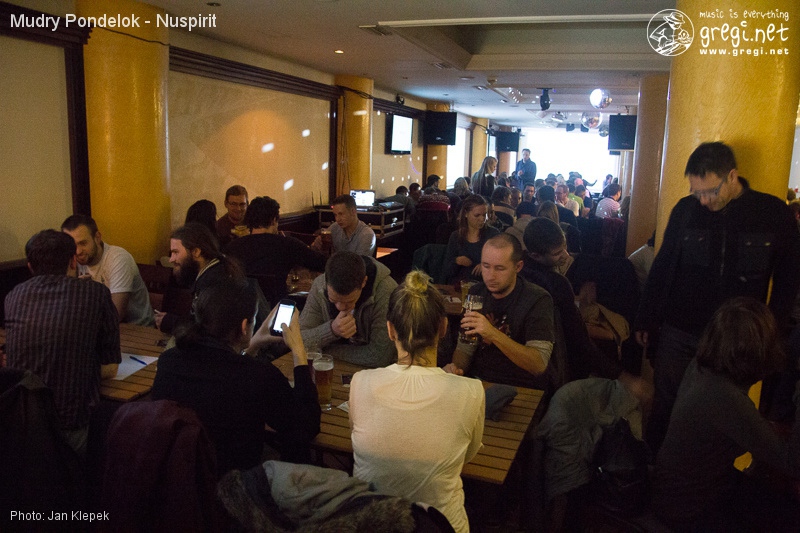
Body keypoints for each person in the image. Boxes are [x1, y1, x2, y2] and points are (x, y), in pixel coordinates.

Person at [635, 141, 800, 454]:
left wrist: (771, 331)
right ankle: (657, 467)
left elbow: (788, 281)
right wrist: (646, 317)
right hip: (680, 329)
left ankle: (706, 475)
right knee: (667, 405)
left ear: (732, 176)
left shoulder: (772, 213)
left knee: (722, 415)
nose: (703, 200)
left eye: (710, 191)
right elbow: (664, 265)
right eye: (696, 191)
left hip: (735, 339)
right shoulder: (685, 210)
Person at [350, 271, 485, 533]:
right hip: (442, 527)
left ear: (390, 330)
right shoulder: (471, 391)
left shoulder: (360, 382)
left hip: (372, 525)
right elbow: (466, 456)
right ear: (443, 327)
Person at [652, 297, 800, 531]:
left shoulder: (701, 367)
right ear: (755, 350)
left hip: (674, 492)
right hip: (689, 509)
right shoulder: (725, 397)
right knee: (789, 515)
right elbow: (793, 463)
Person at [152, 279, 320, 473]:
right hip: (234, 483)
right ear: (244, 326)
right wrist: (298, 351)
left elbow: (221, 371)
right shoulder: (258, 375)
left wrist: (253, 344)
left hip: (178, 475)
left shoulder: (168, 361)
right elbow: (306, 427)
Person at [4, 230, 120, 456]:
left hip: (21, 426)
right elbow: (111, 366)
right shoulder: (96, 294)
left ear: (30, 266)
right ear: (73, 261)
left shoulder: (13, 296)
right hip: (70, 426)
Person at [445, 234, 557, 391]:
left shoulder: (537, 299)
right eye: (485, 266)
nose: (491, 276)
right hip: (479, 381)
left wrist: (492, 333)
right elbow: (465, 348)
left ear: (518, 267)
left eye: (499, 268)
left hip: (521, 387)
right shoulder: (476, 292)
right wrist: (455, 369)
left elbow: (538, 364)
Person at [299, 251, 397, 367]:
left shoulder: (387, 292)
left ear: (364, 282)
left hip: (376, 372)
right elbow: (298, 340)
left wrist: (325, 350)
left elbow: (379, 356)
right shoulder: (319, 285)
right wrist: (331, 330)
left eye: (349, 301)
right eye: (333, 300)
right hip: (330, 366)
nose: (340, 307)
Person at [224, 196, 325, 302]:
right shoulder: (286, 244)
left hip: (241, 306)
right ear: (273, 220)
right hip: (278, 306)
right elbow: (321, 263)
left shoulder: (232, 247)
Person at [61, 214, 154, 326]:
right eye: (72, 245)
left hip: (137, 329)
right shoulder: (73, 259)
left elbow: (116, 314)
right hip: (103, 329)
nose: (78, 251)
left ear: (97, 237)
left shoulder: (118, 258)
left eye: (83, 243)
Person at [155, 223, 246, 333]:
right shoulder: (212, 272)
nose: (171, 259)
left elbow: (207, 331)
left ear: (196, 252)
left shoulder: (215, 282)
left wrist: (171, 322)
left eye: (175, 252)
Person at [442, 194, 500, 284]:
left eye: (484, 215)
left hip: (484, 285)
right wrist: (457, 261)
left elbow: (501, 261)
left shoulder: (493, 234)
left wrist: (486, 265)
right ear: (466, 214)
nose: (482, 219)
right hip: (460, 285)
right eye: (477, 215)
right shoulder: (456, 236)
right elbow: (446, 270)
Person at [312, 194, 376, 257]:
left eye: (341, 214)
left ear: (353, 211)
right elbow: (316, 248)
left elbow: (359, 263)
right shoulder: (335, 227)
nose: (337, 219)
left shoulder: (366, 234)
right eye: (335, 215)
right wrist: (318, 243)